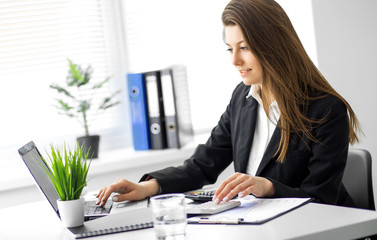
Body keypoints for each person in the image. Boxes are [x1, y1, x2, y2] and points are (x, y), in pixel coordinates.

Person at [97, 0, 361, 207]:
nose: (234, 61)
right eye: (230, 49)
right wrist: (147, 187)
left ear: (274, 46)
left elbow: (321, 199)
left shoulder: (326, 109)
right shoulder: (242, 98)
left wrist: (267, 187)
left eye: (244, 47)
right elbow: (202, 165)